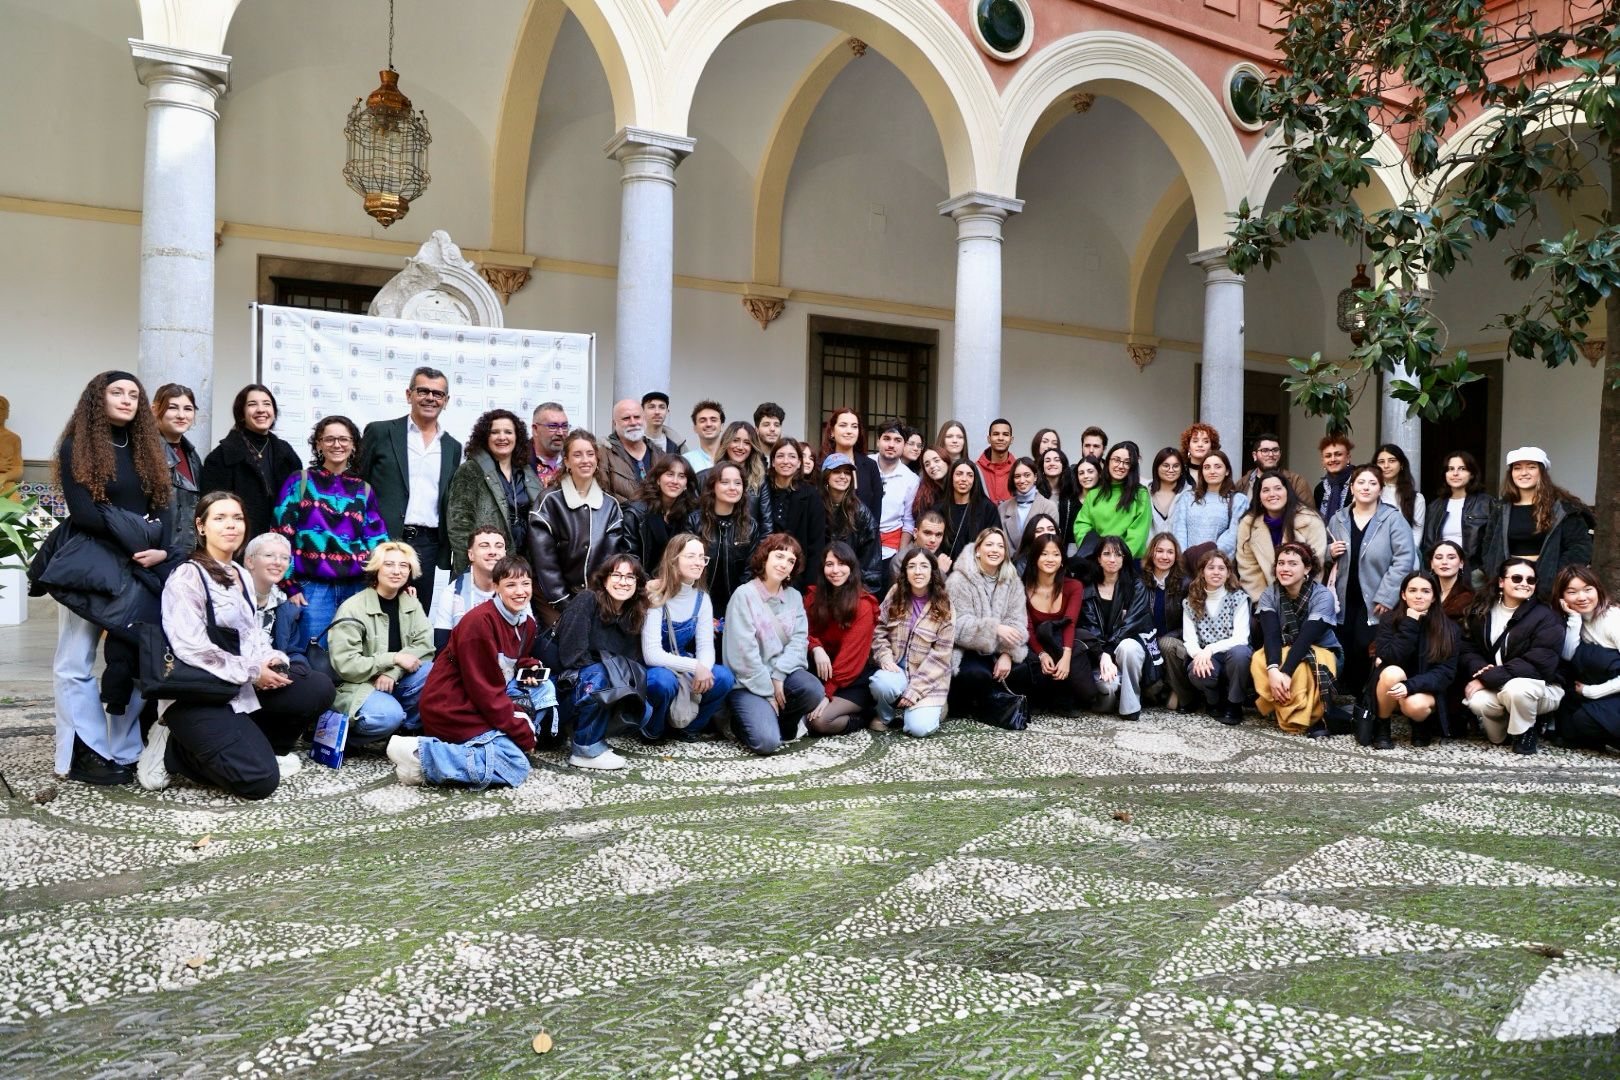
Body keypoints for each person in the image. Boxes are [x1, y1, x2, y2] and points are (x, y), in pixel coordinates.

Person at [136, 492, 335, 796]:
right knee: (259, 782)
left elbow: (251, 634)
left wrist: (270, 659)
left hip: (238, 687)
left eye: (237, 518)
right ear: (201, 527)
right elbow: (190, 648)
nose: (231, 525)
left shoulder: (240, 573)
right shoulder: (188, 575)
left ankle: (258, 747)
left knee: (316, 687)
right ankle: (174, 749)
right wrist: (254, 671)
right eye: (220, 518)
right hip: (198, 694)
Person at [44, 371, 174, 784]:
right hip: (90, 564)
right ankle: (84, 752)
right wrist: (142, 530)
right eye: (117, 392)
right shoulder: (76, 446)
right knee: (74, 661)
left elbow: (164, 507)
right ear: (96, 399)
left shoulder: (146, 448)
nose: (126, 399)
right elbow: (84, 514)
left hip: (139, 562)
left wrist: (163, 547)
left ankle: (124, 748)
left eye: (134, 394)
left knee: (137, 654)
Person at [387, 555, 547, 789]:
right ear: (496, 587)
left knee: (546, 691)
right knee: (515, 765)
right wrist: (522, 733)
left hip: (486, 698)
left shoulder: (527, 623)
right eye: (511, 585)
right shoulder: (479, 623)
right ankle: (421, 754)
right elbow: (485, 692)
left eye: (525, 584)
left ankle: (480, 749)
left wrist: (528, 664)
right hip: (453, 706)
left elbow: (512, 656)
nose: (520, 591)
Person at [273, 414, 389, 648]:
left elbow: (376, 540)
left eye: (344, 439)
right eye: (330, 439)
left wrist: (386, 580)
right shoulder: (300, 481)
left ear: (354, 444)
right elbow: (281, 536)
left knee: (354, 655)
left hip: (356, 587)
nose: (337, 445)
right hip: (313, 589)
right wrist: (289, 585)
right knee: (313, 655)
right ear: (318, 444)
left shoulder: (363, 489)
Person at [353, 367, 462, 611]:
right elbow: (357, 485)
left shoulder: (453, 446)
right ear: (409, 394)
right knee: (375, 611)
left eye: (438, 394)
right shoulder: (380, 432)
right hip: (382, 539)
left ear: (446, 401)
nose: (430, 398)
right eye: (423, 391)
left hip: (428, 544)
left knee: (415, 614)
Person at [328, 541, 436, 751]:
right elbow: (346, 665)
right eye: (389, 564)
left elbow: (425, 647)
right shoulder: (352, 608)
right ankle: (342, 737)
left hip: (395, 682)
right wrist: (392, 659)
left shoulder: (411, 603)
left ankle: (403, 733)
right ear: (376, 568)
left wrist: (393, 672)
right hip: (359, 686)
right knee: (387, 716)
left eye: (403, 566)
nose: (397, 571)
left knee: (432, 671)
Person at [724, 533, 821, 754]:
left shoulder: (794, 597)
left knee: (813, 689)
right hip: (748, 682)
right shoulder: (744, 595)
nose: (784, 564)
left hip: (781, 675)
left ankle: (783, 724)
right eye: (779, 556)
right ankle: (741, 722)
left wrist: (778, 675)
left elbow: (799, 641)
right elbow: (743, 654)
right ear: (765, 558)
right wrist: (768, 691)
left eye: (791, 561)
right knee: (766, 743)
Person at [1459, 556, 1565, 754]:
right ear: (1501, 582)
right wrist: (1478, 667)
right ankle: (1507, 729)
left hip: (1540, 687)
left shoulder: (1547, 616)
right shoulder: (1483, 610)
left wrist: (1485, 679)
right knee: (1477, 701)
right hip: (1497, 684)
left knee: (1516, 689)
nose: (1524, 584)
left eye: (1530, 580)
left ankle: (1526, 730)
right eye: (1517, 578)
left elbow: (1538, 664)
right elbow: (1467, 647)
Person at [1328, 464, 1416, 698]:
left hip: (1377, 595)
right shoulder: (1338, 519)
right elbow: (1320, 555)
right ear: (1353, 487)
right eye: (1361, 483)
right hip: (1345, 595)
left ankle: (1368, 699)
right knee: (1344, 643)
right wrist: (1329, 552)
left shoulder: (1392, 519)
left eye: (1372, 483)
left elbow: (1405, 558)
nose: (1366, 488)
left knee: (1366, 644)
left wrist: (1388, 595)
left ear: (1380, 489)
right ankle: (1346, 700)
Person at [528, 429, 627, 629]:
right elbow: (545, 563)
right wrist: (565, 602)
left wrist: (598, 601)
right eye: (577, 454)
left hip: (596, 599)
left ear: (597, 459)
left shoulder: (610, 505)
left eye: (590, 454)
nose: (585, 460)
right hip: (553, 598)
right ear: (566, 461)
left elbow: (611, 559)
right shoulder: (548, 501)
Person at [556, 555, 649, 769]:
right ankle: (585, 749)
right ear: (605, 580)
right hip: (565, 688)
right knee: (601, 673)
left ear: (638, 583)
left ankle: (595, 735)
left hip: (597, 687)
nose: (623, 582)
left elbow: (630, 662)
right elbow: (571, 655)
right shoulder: (587, 600)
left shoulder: (633, 613)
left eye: (630, 577)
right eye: (616, 575)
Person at [641, 534, 736, 739]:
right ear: (674, 560)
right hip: (655, 668)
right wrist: (695, 667)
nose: (699, 562)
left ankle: (689, 728)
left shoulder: (702, 598)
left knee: (724, 677)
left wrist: (704, 669)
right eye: (691, 556)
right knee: (662, 681)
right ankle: (654, 729)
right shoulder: (656, 595)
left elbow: (705, 647)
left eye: (702, 557)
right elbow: (651, 654)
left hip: (683, 663)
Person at [1251, 542, 1342, 735]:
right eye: (1281, 563)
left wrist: (1284, 673)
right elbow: (1271, 634)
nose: (1285, 568)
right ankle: (1284, 706)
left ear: (1307, 568)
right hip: (1286, 649)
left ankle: (1307, 716)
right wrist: (1273, 669)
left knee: (1300, 669)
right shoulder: (1270, 594)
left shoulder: (1322, 595)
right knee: (1259, 658)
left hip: (1322, 652)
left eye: (1292, 563)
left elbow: (1305, 639)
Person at [1480, 446, 1594, 599]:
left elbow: (1580, 548)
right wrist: (1496, 574)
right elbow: (1488, 547)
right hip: (1509, 585)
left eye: (1531, 467)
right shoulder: (1501, 509)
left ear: (1542, 471)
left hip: (1549, 587)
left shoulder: (1563, 508)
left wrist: (1554, 578)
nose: (1523, 473)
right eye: (1517, 468)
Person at [198, 383, 302, 544]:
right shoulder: (221, 457)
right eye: (252, 404)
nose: (261, 409)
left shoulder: (287, 453)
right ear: (241, 413)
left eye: (267, 404)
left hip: (282, 547)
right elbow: (213, 511)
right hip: (238, 547)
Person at [870, 545, 956, 736]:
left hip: (927, 676)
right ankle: (885, 715)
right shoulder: (895, 593)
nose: (918, 571)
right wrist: (884, 657)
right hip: (897, 669)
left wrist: (915, 690)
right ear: (905, 571)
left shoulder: (944, 605)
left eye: (924, 566)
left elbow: (941, 657)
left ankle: (933, 707)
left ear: (932, 571)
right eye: (912, 566)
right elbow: (879, 631)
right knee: (881, 684)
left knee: (918, 728)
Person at [1367, 570, 1460, 748]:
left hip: (1424, 689)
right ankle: (1382, 725)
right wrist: (1410, 622)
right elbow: (1390, 658)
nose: (1419, 596)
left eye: (1425, 591)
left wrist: (1410, 686)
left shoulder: (1449, 628)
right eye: (1412, 590)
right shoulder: (1389, 620)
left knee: (1415, 705)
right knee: (1392, 672)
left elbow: (1445, 673)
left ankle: (1421, 725)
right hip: (1390, 688)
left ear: (1434, 597)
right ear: (1403, 594)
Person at [945, 527, 1028, 723]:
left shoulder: (1012, 580)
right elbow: (956, 625)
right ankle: (968, 704)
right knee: (977, 675)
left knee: (1023, 672)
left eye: (1000, 546)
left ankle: (991, 703)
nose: (995, 550)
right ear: (977, 550)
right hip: (966, 648)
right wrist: (994, 628)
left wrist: (1007, 653)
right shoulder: (959, 579)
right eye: (989, 544)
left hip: (999, 647)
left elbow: (1018, 621)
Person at [446, 408, 540, 579]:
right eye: (494, 432)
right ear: (485, 438)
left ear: (517, 437)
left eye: (508, 432)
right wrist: (472, 569)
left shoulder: (527, 473)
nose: (502, 437)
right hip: (485, 569)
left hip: (523, 568)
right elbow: (458, 526)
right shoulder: (470, 470)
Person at [1007, 534, 1095, 714]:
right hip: (1035, 644)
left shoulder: (1074, 586)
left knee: (1088, 694)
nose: (1050, 559)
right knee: (1037, 644)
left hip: (1064, 643)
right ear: (1035, 558)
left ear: (1062, 559)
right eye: (1044, 554)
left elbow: (1070, 623)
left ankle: (1062, 693)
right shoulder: (1022, 587)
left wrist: (1066, 657)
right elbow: (1028, 627)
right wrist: (1041, 654)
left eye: (1056, 554)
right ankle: (1049, 697)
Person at [801, 541, 880, 734]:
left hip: (852, 677)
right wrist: (816, 648)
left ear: (851, 568)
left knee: (819, 722)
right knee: (800, 716)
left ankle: (864, 716)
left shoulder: (863, 605)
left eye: (842, 564)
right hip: (820, 671)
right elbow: (801, 632)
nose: (835, 570)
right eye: (830, 564)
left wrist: (827, 694)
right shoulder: (813, 598)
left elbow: (849, 659)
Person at [1078, 535, 1153, 721]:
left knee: (1129, 647)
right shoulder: (1087, 588)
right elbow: (1090, 628)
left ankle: (1130, 706)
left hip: (1124, 651)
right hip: (1099, 655)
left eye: (1118, 554)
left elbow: (1131, 624)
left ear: (1124, 558)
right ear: (1098, 558)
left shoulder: (1136, 585)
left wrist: (1109, 654)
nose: (1112, 559)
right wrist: (1101, 655)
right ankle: (1112, 696)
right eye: (1107, 554)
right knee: (1108, 687)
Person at [1554, 565, 1620, 752]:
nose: (1582, 597)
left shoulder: (1613, 619)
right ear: (1562, 597)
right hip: (1601, 689)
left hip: (1609, 689)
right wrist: (1574, 618)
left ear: (1597, 589)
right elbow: (1568, 655)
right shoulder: (1576, 619)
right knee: (1568, 727)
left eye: (1587, 589)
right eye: (1572, 592)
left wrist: (1593, 692)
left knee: (1586, 719)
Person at [1181, 550, 1252, 724]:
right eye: (1211, 567)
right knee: (1196, 670)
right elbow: (1189, 640)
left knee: (1241, 654)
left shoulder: (1238, 598)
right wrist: (1199, 656)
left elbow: (1241, 638)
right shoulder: (1190, 602)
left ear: (1228, 573)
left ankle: (1234, 704)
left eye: (1221, 568)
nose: (1216, 572)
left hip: (1231, 656)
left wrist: (1210, 649)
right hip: (1208, 658)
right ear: (1202, 572)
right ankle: (1212, 701)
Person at [1235, 470, 1330, 601]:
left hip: (1306, 598)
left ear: (1287, 492)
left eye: (1278, 488)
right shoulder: (1248, 524)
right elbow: (1248, 569)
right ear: (1259, 497)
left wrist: (1297, 599)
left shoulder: (1310, 520)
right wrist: (1265, 603)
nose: (1272, 494)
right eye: (1266, 490)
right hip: (1265, 600)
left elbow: (1315, 565)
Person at [686, 461, 759, 619]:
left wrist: (737, 609)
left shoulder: (750, 526)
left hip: (737, 607)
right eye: (725, 482)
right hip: (696, 606)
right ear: (713, 486)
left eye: (738, 483)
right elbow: (685, 569)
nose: (732, 487)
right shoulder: (694, 522)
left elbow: (750, 572)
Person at [756, 439, 828, 587]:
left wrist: (810, 585)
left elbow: (816, 544)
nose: (786, 461)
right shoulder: (760, 490)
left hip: (796, 576)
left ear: (799, 463)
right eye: (780, 456)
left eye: (792, 456)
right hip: (761, 572)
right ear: (773, 462)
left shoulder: (811, 495)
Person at [431, 525, 507, 649]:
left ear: (504, 553)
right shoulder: (451, 593)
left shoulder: (517, 590)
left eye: (499, 546)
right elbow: (442, 647)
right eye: (484, 546)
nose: (493, 552)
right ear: (471, 555)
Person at [1422, 450, 1492, 583]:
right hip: (1441, 573)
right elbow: (1428, 544)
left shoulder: (1487, 503)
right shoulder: (1435, 506)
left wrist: (1483, 570)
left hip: (1474, 573)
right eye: (1450, 469)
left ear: (1472, 474)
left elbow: (1494, 544)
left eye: (1462, 469)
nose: (1455, 473)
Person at [1143, 532, 1195, 711]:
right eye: (1160, 551)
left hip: (1175, 644)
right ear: (1152, 553)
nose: (1164, 556)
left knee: (1165, 644)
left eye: (1170, 552)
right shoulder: (1141, 581)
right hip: (1147, 642)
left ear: (1176, 556)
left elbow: (1190, 624)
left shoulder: (1185, 583)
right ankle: (1161, 688)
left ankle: (1186, 696)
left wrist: (1160, 640)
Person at [1169, 449, 1248, 565]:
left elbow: (1233, 537)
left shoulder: (1238, 500)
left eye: (1218, 467)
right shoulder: (1187, 498)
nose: (1212, 471)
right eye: (1207, 467)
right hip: (1188, 566)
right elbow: (1179, 532)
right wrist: (1186, 560)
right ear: (1202, 472)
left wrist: (1208, 562)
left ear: (1227, 471)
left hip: (1218, 567)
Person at [623, 454, 699, 575]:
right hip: (644, 586)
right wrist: (648, 584)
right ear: (658, 479)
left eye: (681, 476)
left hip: (678, 584)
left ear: (686, 484)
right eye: (670, 474)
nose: (675, 481)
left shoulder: (692, 514)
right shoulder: (636, 513)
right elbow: (630, 558)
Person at [1074, 442, 1152, 559]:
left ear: (1132, 467)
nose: (1121, 466)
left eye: (1127, 462)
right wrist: (1097, 554)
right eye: (1116, 460)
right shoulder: (1094, 494)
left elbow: (1137, 535)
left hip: (1128, 562)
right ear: (1108, 461)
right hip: (1096, 560)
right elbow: (1082, 525)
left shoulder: (1141, 494)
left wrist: (1115, 558)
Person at [152, 383, 203, 554]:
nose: (182, 415)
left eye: (188, 409)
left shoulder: (193, 456)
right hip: (156, 554)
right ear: (154, 410)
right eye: (173, 408)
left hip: (186, 554)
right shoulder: (144, 453)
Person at [819, 453, 883, 591]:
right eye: (836, 471)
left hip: (852, 587)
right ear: (826, 476)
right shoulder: (815, 505)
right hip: (820, 584)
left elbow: (871, 561)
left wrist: (861, 590)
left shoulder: (861, 512)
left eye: (847, 473)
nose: (843, 476)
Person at [243, 531, 305, 661]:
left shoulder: (285, 606)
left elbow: (292, 650)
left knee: (318, 680)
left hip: (277, 671)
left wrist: (297, 667)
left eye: (284, 558)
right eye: (269, 555)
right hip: (237, 672)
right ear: (250, 561)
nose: (278, 562)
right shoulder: (230, 598)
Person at [821, 407, 885, 522]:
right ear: (831, 432)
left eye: (854, 426)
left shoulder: (870, 466)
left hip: (864, 535)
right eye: (843, 425)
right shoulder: (821, 464)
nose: (849, 431)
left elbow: (876, 510)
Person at [934, 458, 999, 565]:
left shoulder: (987, 508)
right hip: (945, 571)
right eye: (959, 474)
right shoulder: (938, 509)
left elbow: (995, 542)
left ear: (975, 480)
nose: (964, 479)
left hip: (978, 570)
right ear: (951, 477)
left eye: (969, 475)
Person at [870, 422, 919, 565]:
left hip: (890, 551)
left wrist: (900, 556)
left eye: (897, 440)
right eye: (886, 438)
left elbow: (908, 521)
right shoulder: (863, 465)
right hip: (858, 547)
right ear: (878, 441)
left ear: (904, 445)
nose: (891, 445)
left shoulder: (911, 480)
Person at [604, 398, 661, 505]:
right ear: (614, 423)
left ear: (644, 419)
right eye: (626, 418)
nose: (633, 422)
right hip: (621, 520)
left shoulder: (659, 454)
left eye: (637, 417)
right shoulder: (604, 454)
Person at [998, 456, 1058, 550]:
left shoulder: (1049, 507)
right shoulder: (1002, 508)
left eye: (1027, 475)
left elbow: (1051, 542)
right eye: (1017, 476)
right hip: (1010, 562)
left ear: (1035, 477)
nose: (1022, 480)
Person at [1374, 443, 1425, 546]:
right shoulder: (1367, 493)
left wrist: (1407, 556)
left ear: (1401, 464)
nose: (1386, 466)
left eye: (1392, 461)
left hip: (1403, 554)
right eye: (1381, 462)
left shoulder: (1416, 498)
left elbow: (1416, 533)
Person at [1240, 433, 1312, 504]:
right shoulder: (1242, 483)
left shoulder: (1296, 482)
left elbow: (1308, 514)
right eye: (1265, 451)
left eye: (1275, 450)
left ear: (1280, 454)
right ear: (1254, 455)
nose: (1271, 454)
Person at [700, 420, 767, 496]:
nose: (740, 447)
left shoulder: (761, 480)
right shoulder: (704, 477)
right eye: (735, 440)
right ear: (726, 443)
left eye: (747, 443)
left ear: (752, 448)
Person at [1037, 447, 1082, 551]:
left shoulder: (1072, 495)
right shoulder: (1036, 493)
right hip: (1039, 548)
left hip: (1065, 550)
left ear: (1063, 466)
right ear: (1042, 467)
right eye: (1047, 460)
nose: (1052, 463)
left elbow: (1072, 532)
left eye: (1057, 460)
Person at [1313, 433, 1355, 522]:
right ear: (1323, 461)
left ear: (1348, 458)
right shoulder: (1319, 489)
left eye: (1338, 454)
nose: (1333, 459)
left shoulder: (1359, 482)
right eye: (1328, 456)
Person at [1147, 447, 1188, 536]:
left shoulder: (1189, 494)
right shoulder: (1145, 492)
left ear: (1181, 469)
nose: (1170, 470)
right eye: (1165, 465)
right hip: (1148, 549)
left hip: (1179, 548)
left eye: (1176, 466)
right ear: (1157, 467)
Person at [976, 418, 1016, 502]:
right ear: (989, 439)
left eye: (1005, 434)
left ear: (1011, 440)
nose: (1000, 438)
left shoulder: (1018, 469)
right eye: (996, 434)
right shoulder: (976, 469)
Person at [530, 402, 569, 488]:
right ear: (535, 429)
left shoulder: (573, 459)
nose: (560, 433)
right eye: (553, 426)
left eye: (564, 426)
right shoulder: (519, 461)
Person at [911, 446, 951, 525]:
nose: (932, 466)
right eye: (927, 464)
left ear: (946, 461)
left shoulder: (957, 487)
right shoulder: (924, 495)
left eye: (936, 460)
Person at [683, 399, 726, 471]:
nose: (708, 424)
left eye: (713, 420)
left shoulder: (732, 457)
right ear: (695, 428)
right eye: (703, 420)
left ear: (721, 426)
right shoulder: (686, 461)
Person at [908, 509, 952, 579]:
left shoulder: (939, 559)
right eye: (927, 533)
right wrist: (940, 572)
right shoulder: (901, 560)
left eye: (938, 535)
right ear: (915, 533)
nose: (933, 540)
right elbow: (910, 589)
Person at [1012, 512, 1059, 577]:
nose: (1046, 533)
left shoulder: (1061, 558)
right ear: (1031, 535)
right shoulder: (1021, 563)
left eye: (1051, 529)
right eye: (1039, 531)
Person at [640, 391, 686, 457]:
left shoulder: (677, 444)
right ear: (642, 411)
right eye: (651, 407)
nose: (657, 412)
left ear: (667, 411)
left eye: (662, 407)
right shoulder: (634, 441)